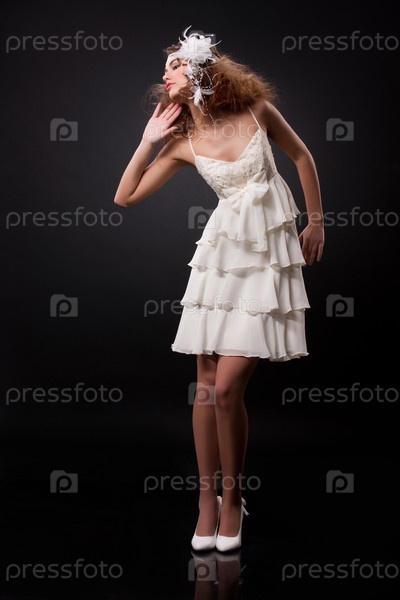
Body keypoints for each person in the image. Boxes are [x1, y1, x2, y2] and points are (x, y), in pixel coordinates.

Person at [114, 26, 325, 553]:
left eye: (174, 65)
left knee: (228, 388)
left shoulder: (256, 110)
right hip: (220, 259)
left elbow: (302, 157)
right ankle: (206, 501)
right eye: (165, 69)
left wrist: (317, 222)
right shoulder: (182, 143)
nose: (165, 74)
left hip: (267, 256)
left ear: (201, 70)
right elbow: (125, 197)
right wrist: (147, 142)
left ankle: (233, 499)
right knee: (206, 387)